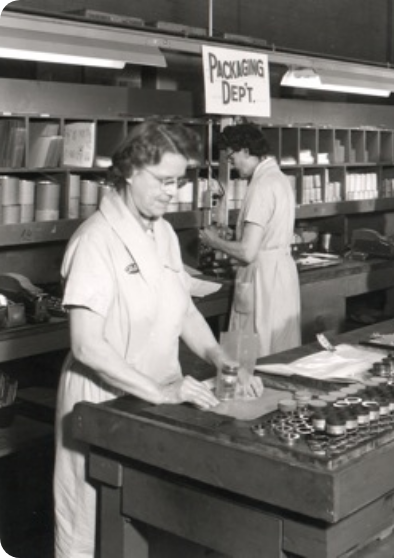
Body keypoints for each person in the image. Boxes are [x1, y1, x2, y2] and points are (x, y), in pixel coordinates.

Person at [53, 120, 263, 558]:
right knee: (96, 530)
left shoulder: (163, 232)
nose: (174, 193)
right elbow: (86, 345)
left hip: (157, 399)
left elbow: (183, 308)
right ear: (130, 171)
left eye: (179, 182)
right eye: (165, 181)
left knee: (154, 525)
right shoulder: (96, 241)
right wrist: (160, 392)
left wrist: (218, 356)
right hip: (104, 401)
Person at [199, 123, 301, 357]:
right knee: (279, 349)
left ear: (245, 150)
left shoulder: (261, 186)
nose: (231, 163)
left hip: (262, 278)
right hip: (281, 274)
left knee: (251, 354)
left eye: (232, 157)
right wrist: (234, 237)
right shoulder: (279, 179)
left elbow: (247, 252)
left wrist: (214, 241)